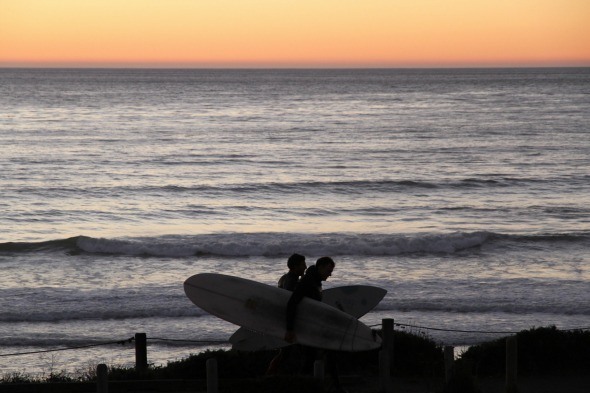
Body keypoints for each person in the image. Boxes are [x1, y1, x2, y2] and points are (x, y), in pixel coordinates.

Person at [284, 257, 346, 392]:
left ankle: (334, 387)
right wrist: (290, 329)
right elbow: (292, 303)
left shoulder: (315, 281)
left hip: (314, 327)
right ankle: (332, 387)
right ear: (320, 267)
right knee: (311, 359)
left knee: (320, 357)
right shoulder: (307, 282)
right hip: (306, 327)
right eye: (329, 270)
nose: (330, 274)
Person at [265, 253, 307, 376]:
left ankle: (271, 374)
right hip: (289, 321)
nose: (305, 267)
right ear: (295, 266)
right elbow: (291, 302)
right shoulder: (292, 281)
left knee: (285, 351)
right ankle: (271, 375)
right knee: (289, 351)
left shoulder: (285, 278)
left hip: (284, 319)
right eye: (302, 265)